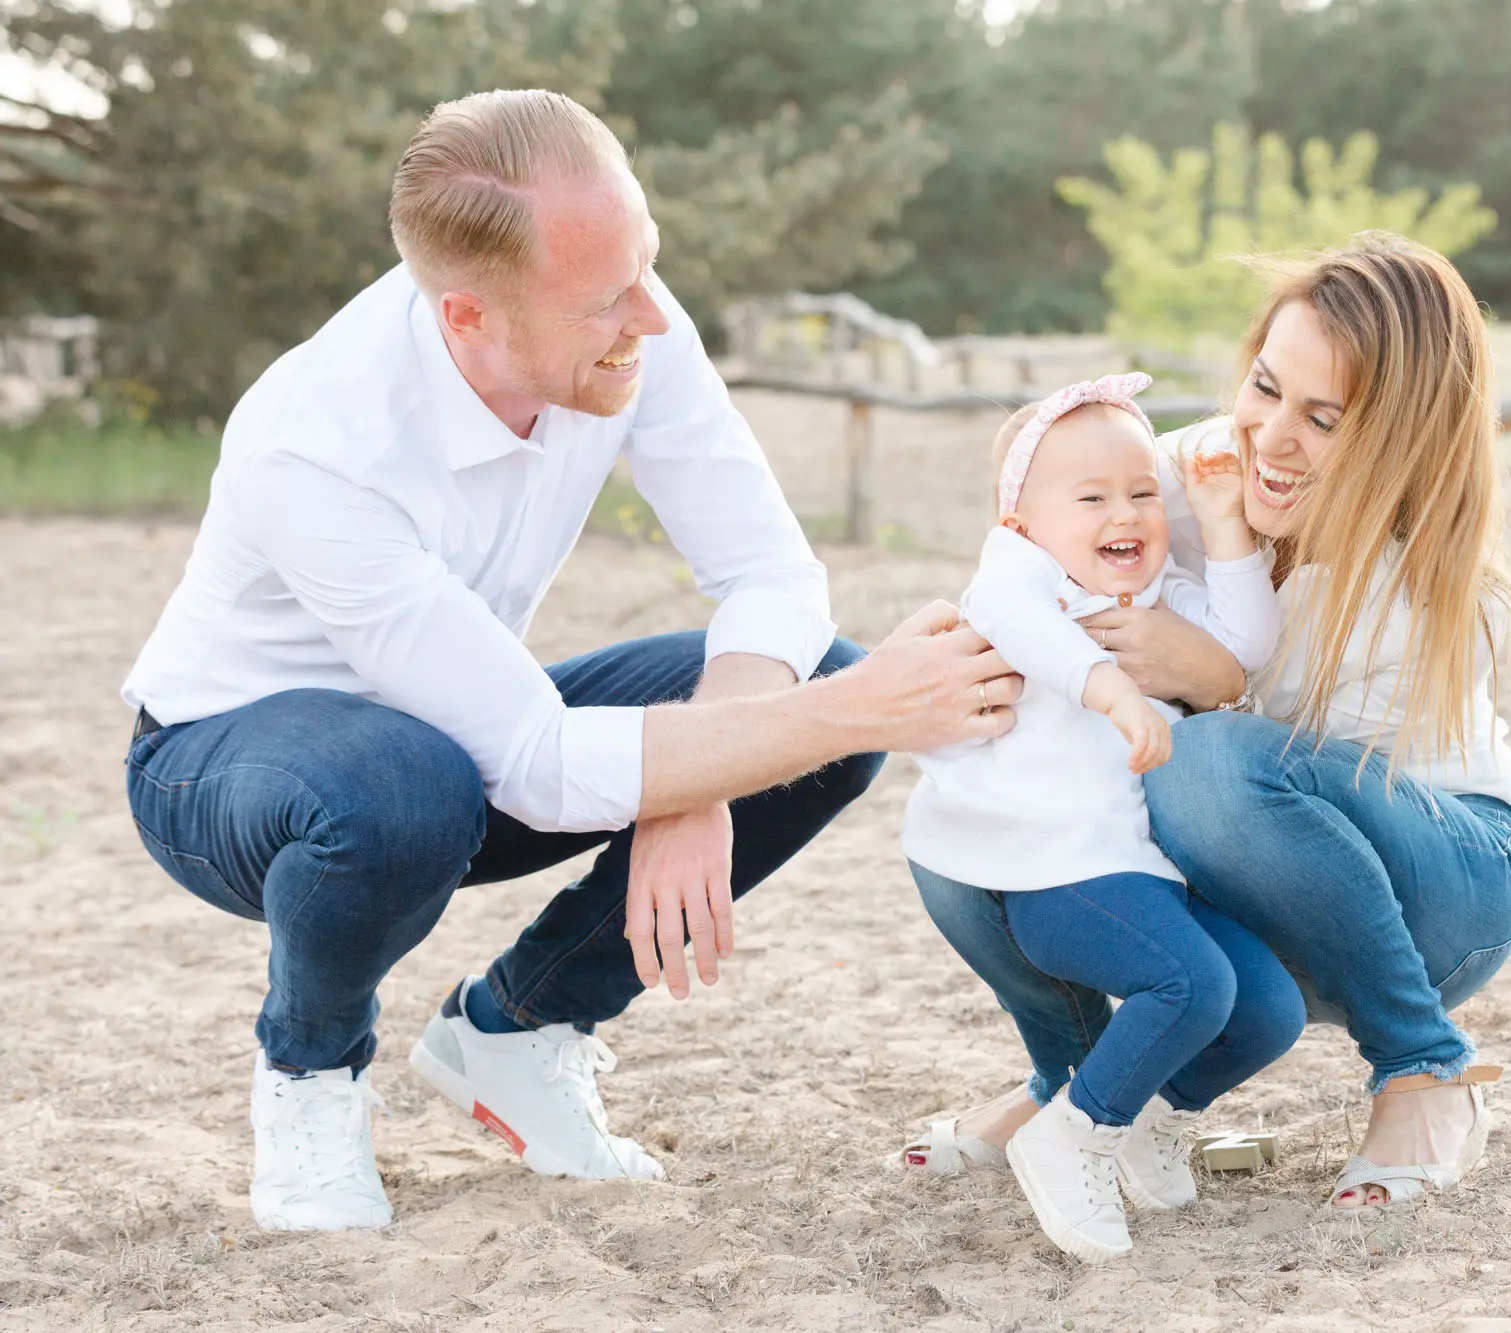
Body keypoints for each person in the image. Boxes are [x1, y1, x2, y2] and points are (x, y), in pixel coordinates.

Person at [121, 89, 1020, 1233]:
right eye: (606, 297)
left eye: (648, 266)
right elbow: (538, 761)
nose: (648, 314)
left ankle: (519, 1026)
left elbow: (771, 577)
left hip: (463, 734)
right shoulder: (314, 442)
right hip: (227, 772)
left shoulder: (624, 316)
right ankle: (309, 1072)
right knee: (404, 784)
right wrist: (796, 731)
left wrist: (714, 770)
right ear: (468, 319)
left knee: (809, 689)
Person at [904, 234, 1511, 1209]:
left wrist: (1208, 674)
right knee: (969, 812)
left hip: (1434, 890)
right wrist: (951, 647)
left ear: (1400, 436)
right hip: (1247, 879)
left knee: (1200, 765)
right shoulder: (1169, 475)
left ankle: (1423, 1064)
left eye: (1321, 418)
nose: (1270, 438)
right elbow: (1029, 573)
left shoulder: (1430, 587)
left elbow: (1268, 788)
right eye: (1264, 386)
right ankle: (1075, 1085)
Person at [901, 373, 1305, 1264]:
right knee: (1190, 985)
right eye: (1090, 497)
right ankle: (1072, 1130)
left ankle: (1145, 1116)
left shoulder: (1155, 598)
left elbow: (1246, 644)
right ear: (1024, 522)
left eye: (1142, 495)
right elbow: (1008, 613)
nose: (1124, 513)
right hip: (1049, 866)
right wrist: (1108, 682)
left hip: (1136, 863)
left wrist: (1224, 523)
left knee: (1268, 1007)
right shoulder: (1024, 578)